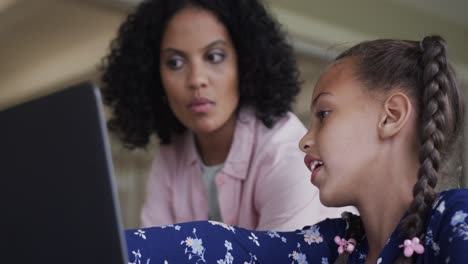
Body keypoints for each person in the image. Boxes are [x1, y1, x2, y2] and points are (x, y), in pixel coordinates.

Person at [124, 35, 468, 264]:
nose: (304, 140)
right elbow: (217, 244)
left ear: (391, 116)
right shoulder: (333, 245)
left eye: (324, 114)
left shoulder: (454, 219)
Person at [101, 0, 347, 231]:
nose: (196, 79)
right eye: (175, 62)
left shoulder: (285, 151)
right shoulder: (170, 156)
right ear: (155, 77)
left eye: (214, 56)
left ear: (246, 62)